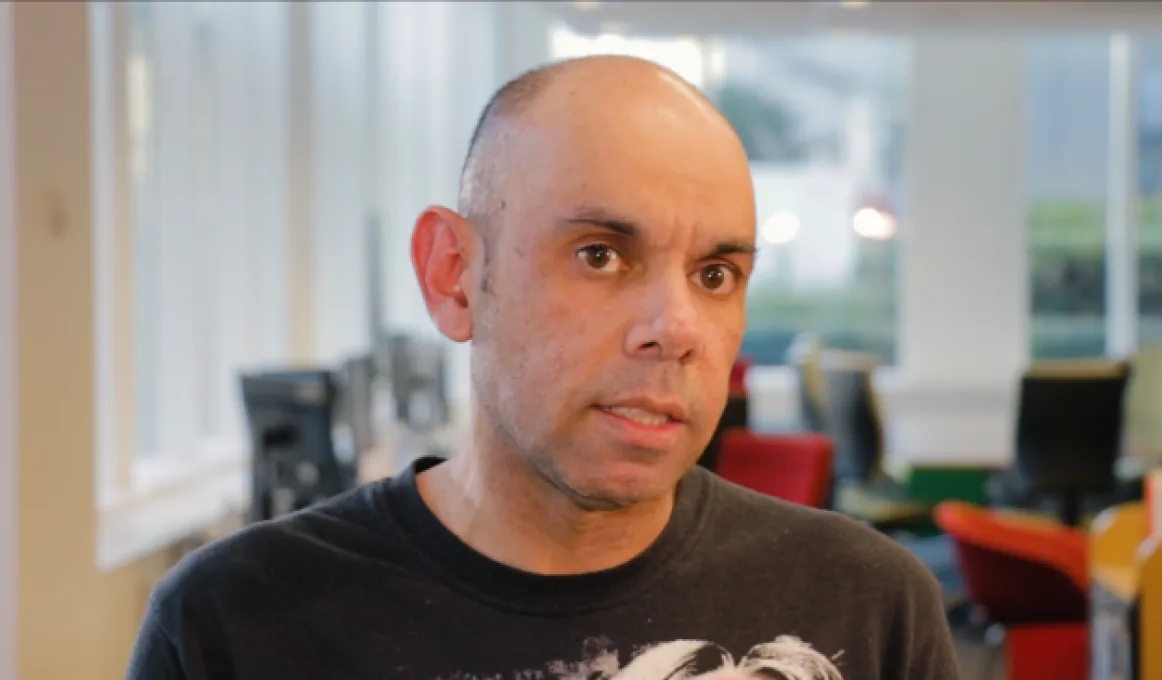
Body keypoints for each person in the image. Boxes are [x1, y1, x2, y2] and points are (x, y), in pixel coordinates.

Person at [126, 54, 960, 680]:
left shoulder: (867, 604)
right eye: (599, 255)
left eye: (715, 275)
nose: (675, 329)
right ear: (454, 276)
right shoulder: (235, 621)